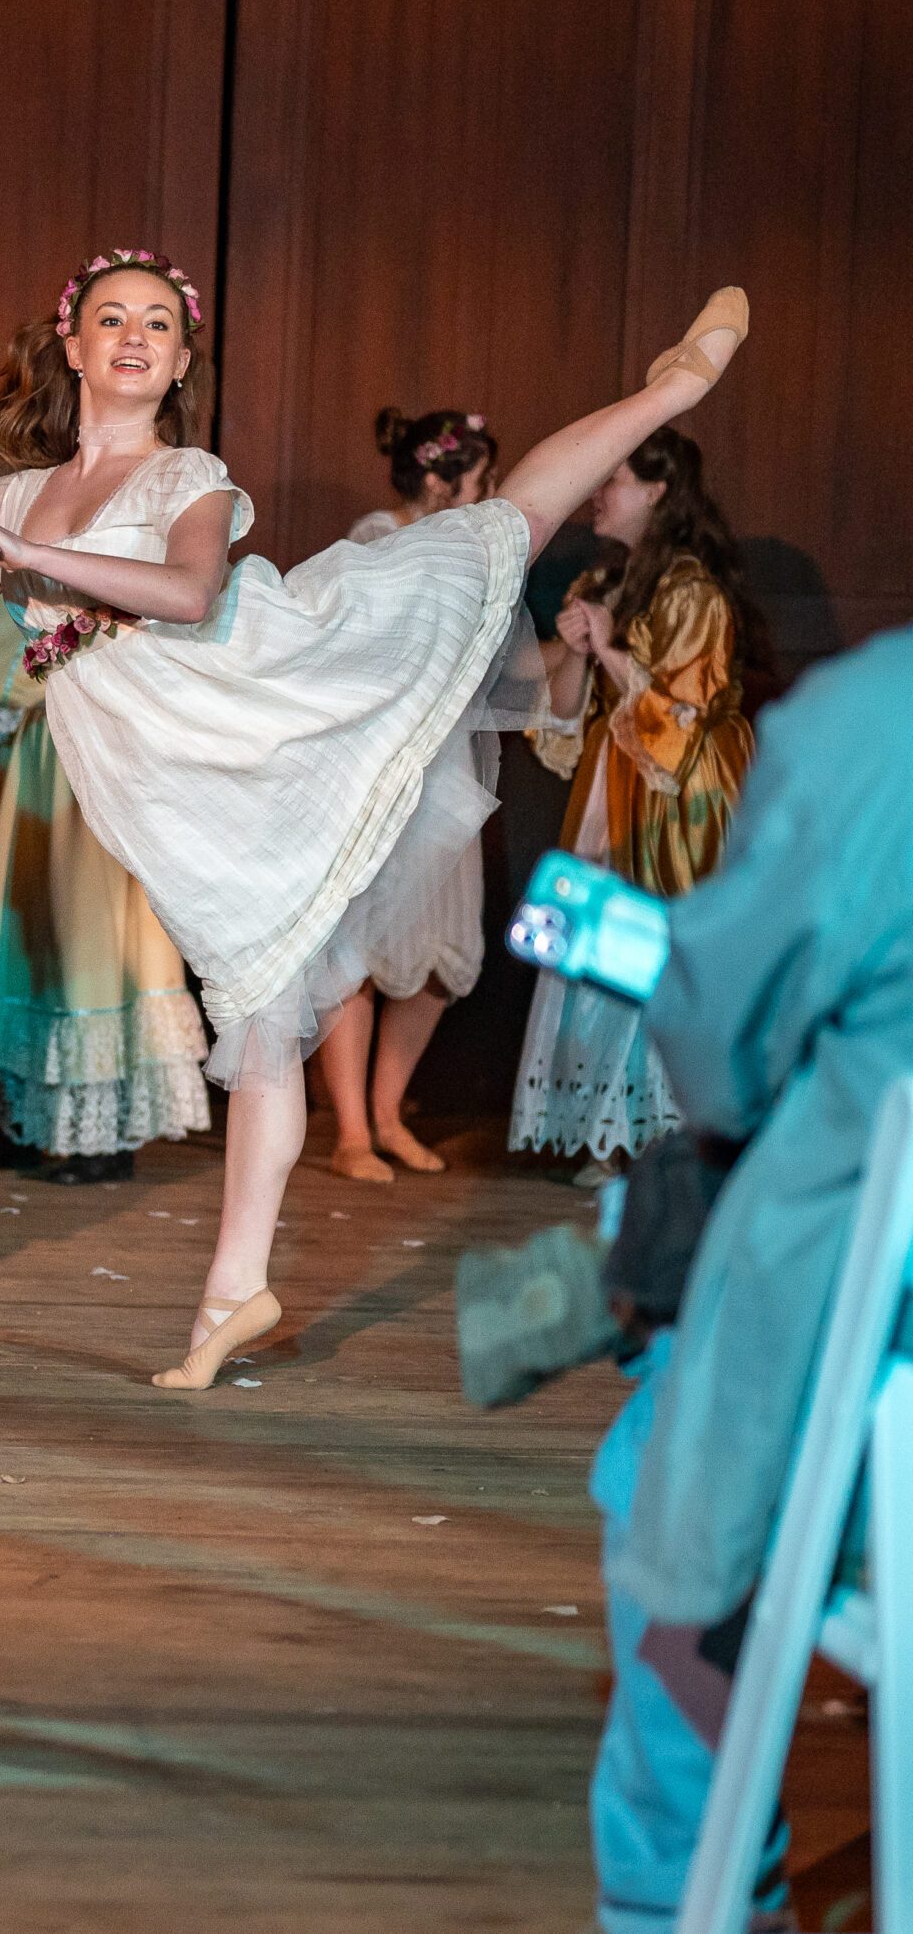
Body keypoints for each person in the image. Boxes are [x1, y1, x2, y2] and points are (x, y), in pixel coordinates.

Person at [0, 247, 748, 1389]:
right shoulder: (10, 496)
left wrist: (24, 560)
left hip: (266, 684)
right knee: (261, 1001)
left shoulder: (191, 477)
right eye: (113, 318)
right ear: (70, 344)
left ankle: (670, 388)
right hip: (164, 767)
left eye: (160, 325)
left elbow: (185, 592)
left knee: (503, 529)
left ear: (178, 364)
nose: (135, 335)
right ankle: (234, 1290)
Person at [570, 622, 913, 1931]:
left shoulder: (872, 727)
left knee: (669, 1475)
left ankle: (691, 1890)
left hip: (869, 1331)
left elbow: (723, 1052)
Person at [0, 432, 210, 1183]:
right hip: (35, 756)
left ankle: (103, 1132)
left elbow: (40, 654)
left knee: (90, 939)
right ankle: (12, 1117)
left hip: (93, 754)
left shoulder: (94, 556)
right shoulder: (14, 580)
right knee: (16, 937)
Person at [510, 427, 759, 1186]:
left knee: (656, 939)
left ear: (656, 490)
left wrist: (614, 647)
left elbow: (683, 721)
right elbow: (563, 715)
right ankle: (609, 1132)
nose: (597, 493)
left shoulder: (693, 592)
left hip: (675, 799)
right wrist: (581, 652)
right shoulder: (608, 580)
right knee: (600, 941)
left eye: (612, 478)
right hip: (612, 788)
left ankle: (666, 1137)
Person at [318, 406, 504, 1182]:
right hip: (376, 766)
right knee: (354, 950)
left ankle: (389, 1113)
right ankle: (352, 1132)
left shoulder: (474, 549)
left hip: (447, 763)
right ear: (436, 478)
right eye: (480, 480)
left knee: (435, 954)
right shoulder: (374, 538)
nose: (489, 493)